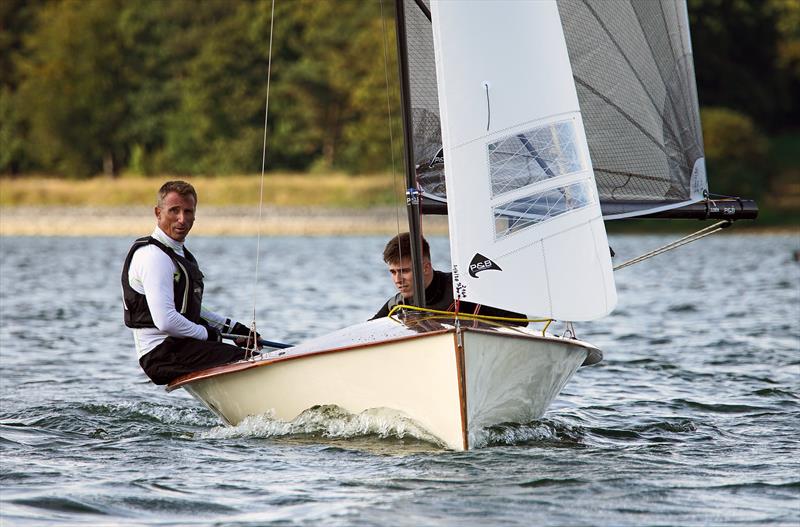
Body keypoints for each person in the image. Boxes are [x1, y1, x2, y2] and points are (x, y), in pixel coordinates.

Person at [121, 180, 259, 385]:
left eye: (188, 211)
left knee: (250, 354)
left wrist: (234, 329)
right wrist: (208, 335)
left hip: (180, 346)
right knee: (249, 360)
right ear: (158, 213)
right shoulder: (153, 257)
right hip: (161, 355)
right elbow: (165, 320)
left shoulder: (178, 253)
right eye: (174, 211)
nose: (182, 219)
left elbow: (192, 309)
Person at [371, 232, 527, 323]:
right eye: (393, 272)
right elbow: (363, 334)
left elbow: (520, 320)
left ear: (426, 267)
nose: (398, 279)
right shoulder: (396, 305)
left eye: (404, 271)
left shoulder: (463, 289)